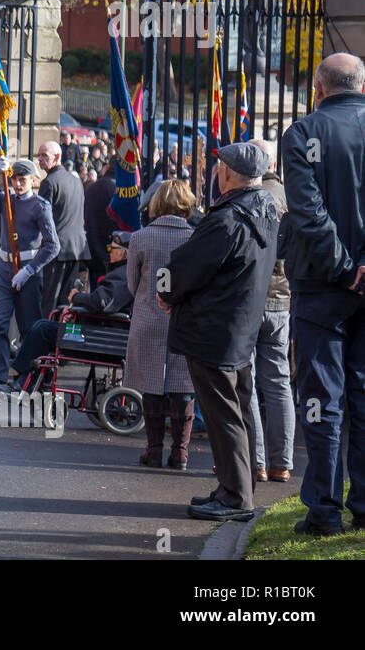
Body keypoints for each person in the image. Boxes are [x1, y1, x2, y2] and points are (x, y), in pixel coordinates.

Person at [159, 142, 280, 522]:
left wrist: (166, 292)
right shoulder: (266, 210)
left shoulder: (228, 218)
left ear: (227, 173)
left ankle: (234, 497)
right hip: (237, 326)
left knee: (224, 415)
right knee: (238, 411)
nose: (216, 171)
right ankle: (237, 488)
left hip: (214, 328)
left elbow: (188, 265)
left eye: (219, 166)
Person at [279, 53, 365, 536]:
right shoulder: (303, 133)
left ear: (318, 88)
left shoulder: (303, 133)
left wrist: (344, 268)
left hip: (321, 286)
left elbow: (307, 212)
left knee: (322, 400)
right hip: (345, 279)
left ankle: (325, 510)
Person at [125, 180, 198, 469]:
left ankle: (154, 450)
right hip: (183, 319)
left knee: (151, 386)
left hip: (148, 317)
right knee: (183, 386)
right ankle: (180, 453)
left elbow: (132, 285)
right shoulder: (195, 237)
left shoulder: (140, 238)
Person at [0, 157, 59, 394]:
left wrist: (29, 270)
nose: (18, 184)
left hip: (28, 269)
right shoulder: (6, 200)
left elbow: (53, 246)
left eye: (23, 180)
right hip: (3, 268)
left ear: (33, 180)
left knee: (29, 327)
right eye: (14, 179)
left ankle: (29, 376)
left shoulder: (40, 206)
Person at [12, 230, 134, 382]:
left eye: (111, 249)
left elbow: (101, 302)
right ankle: (30, 379)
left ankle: (23, 380)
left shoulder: (122, 275)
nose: (108, 252)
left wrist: (76, 298)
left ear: (124, 254)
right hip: (100, 334)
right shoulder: (124, 273)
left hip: (99, 338)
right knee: (44, 325)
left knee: (43, 329)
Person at [247, 138, 294, 484]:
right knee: (278, 382)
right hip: (282, 298)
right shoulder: (291, 197)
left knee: (245, 383)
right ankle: (282, 462)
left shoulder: (251, 197)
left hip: (251, 299)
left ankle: (256, 460)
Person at [36, 140, 89, 318]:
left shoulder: (49, 183)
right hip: (76, 249)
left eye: (44, 155)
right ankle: (61, 341)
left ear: (57, 157)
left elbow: (41, 219)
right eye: (39, 155)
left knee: (50, 302)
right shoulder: (76, 181)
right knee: (67, 303)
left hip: (57, 250)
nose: (40, 160)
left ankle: (49, 342)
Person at [83, 160, 117, 283]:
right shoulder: (119, 190)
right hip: (113, 253)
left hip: (93, 251)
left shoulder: (91, 188)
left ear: (106, 168)